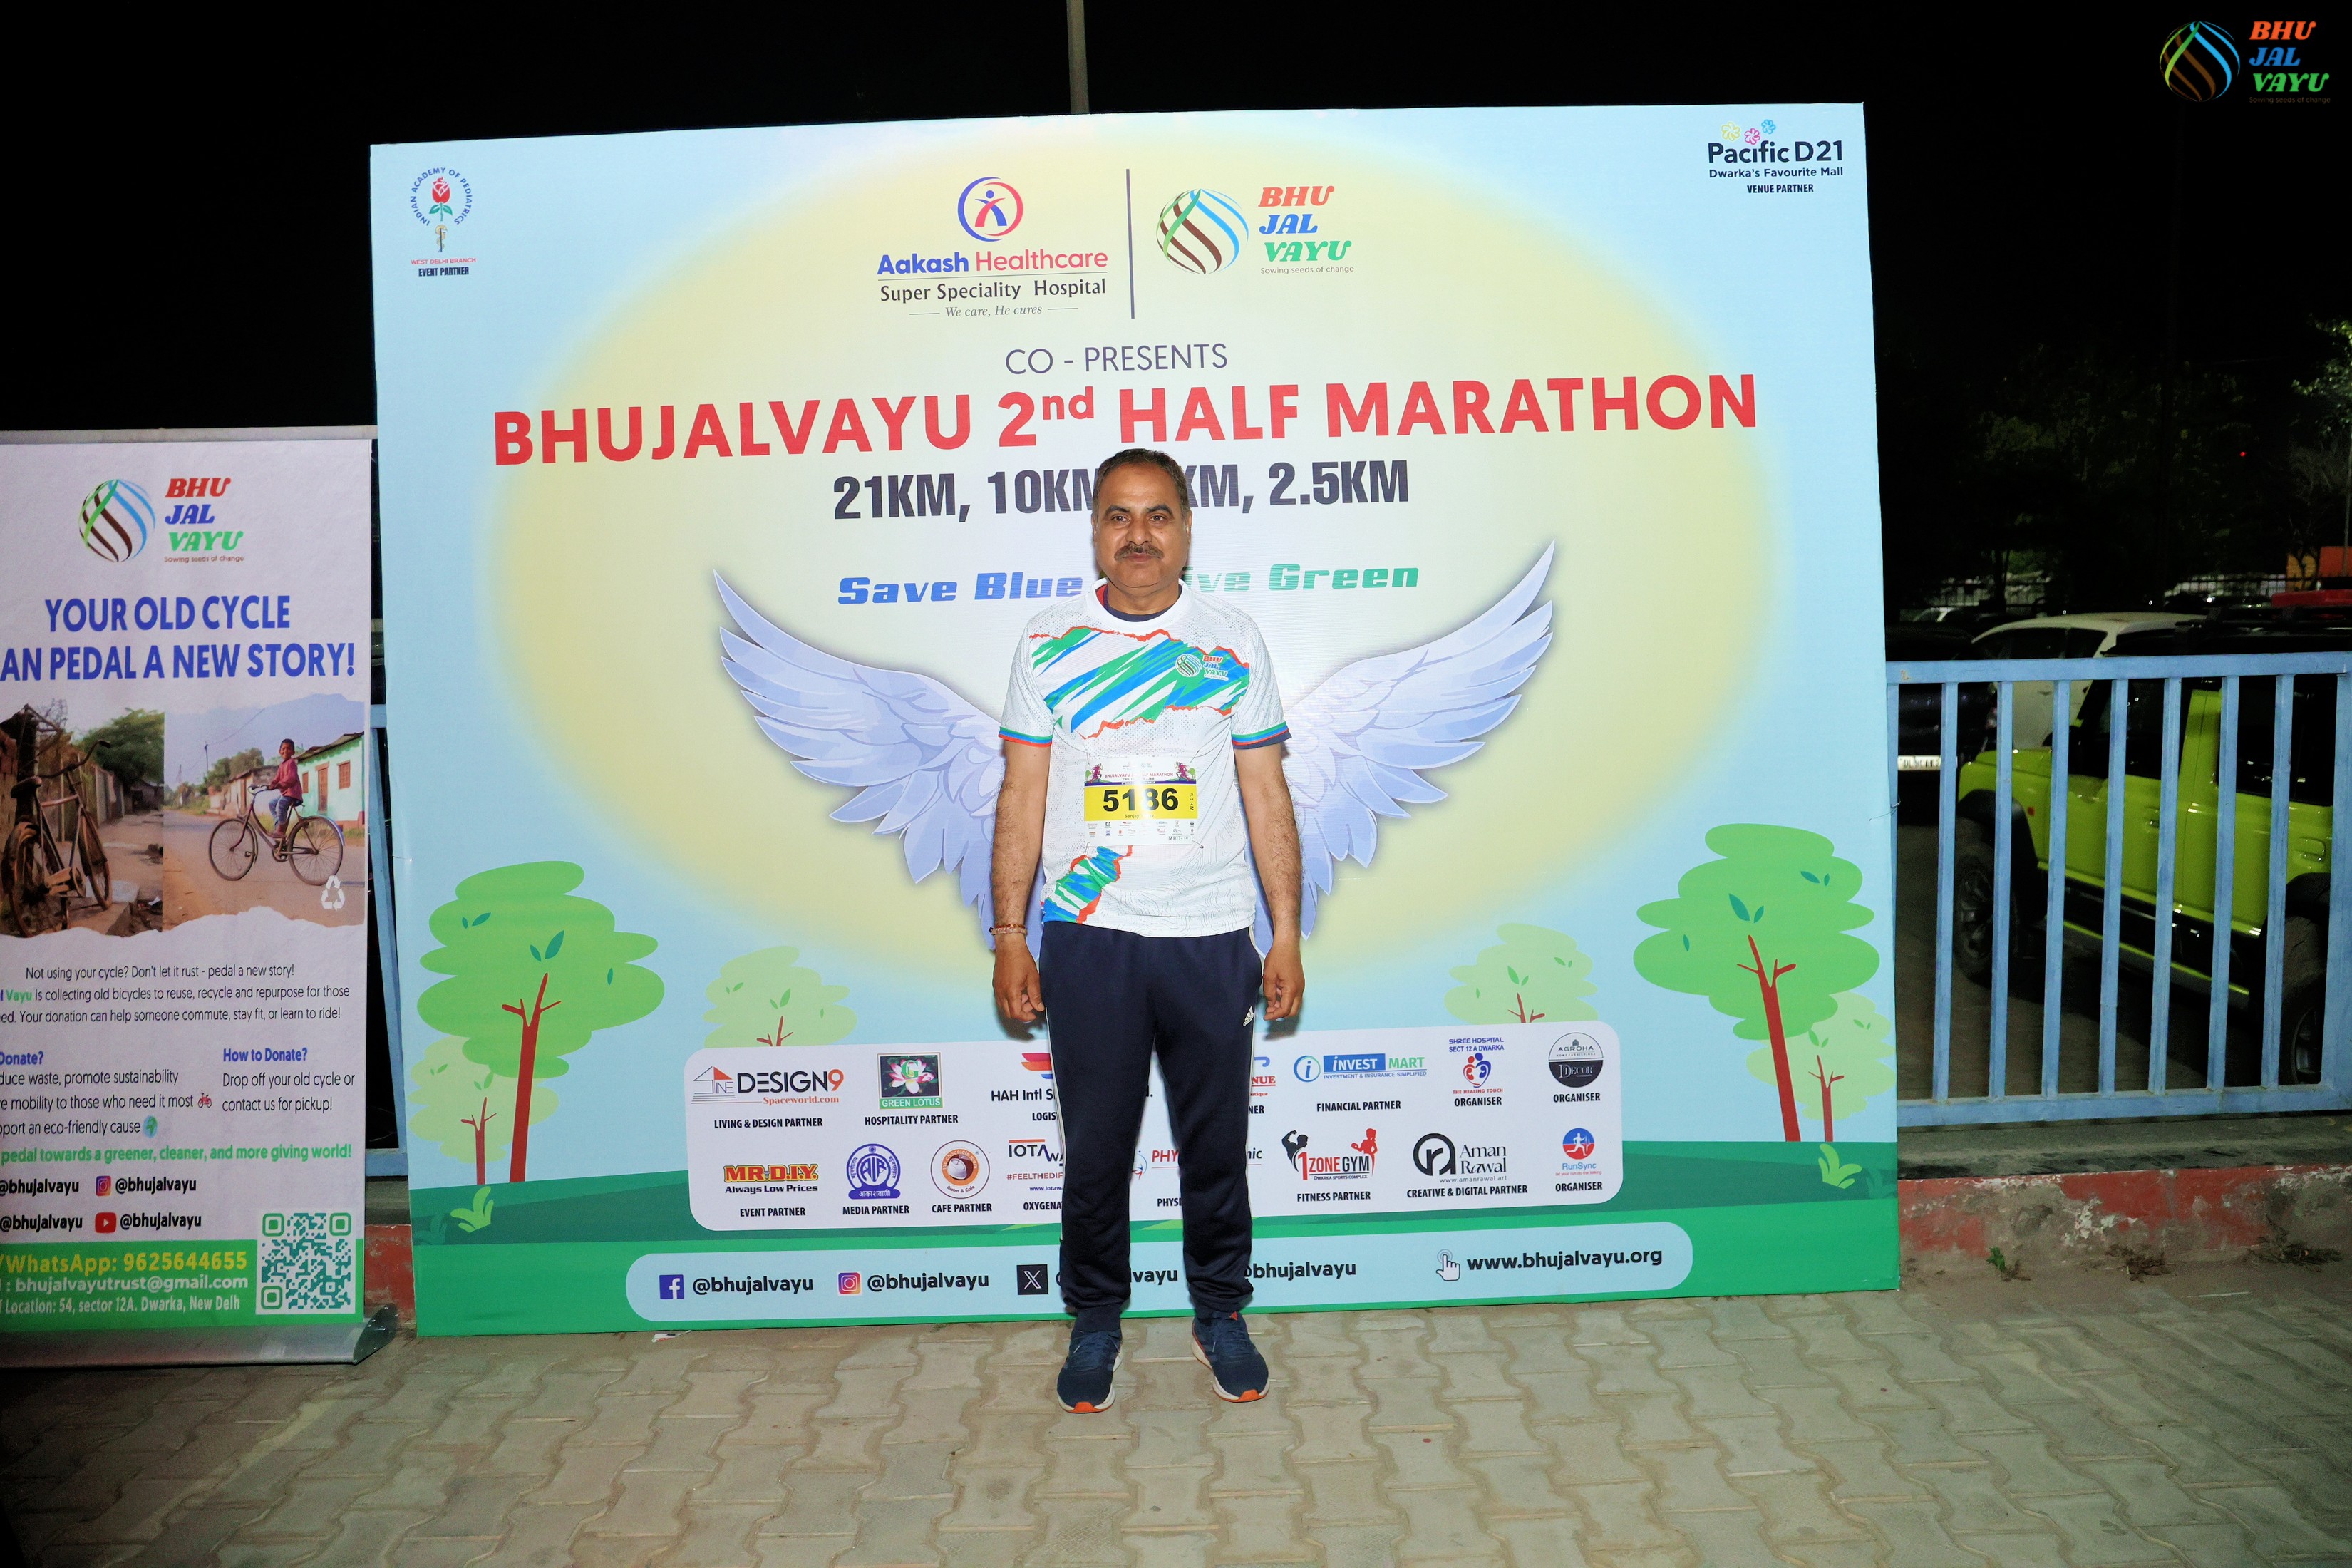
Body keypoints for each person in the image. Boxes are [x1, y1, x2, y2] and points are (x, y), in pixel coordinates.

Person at [990, 448, 1305, 1413]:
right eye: (1119, 516)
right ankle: (1095, 1320)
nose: (1139, 535)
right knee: (1095, 1152)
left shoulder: (1232, 639)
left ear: (1186, 530)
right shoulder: (1048, 640)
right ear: (1095, 530)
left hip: (1210, 934)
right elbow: (1022, 792)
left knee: (1216, 1149)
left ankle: (1221, 1312)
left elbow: (1266, 790)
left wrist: (1286, 931)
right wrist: (1011, 933)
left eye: (1158, 515)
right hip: (1092, 938)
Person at [264, 740, 304, 847]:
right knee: (272, 803)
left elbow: (291, 779)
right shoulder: (282, 765)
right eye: (283, 749)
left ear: (293, 752)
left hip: (293, 793)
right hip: (286, 794)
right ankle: (279, 826)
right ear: (280, 751)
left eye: (289, 749)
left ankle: (281, 831)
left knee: (280, 805)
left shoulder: (291, 763)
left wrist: (279, 784)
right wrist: (272, 784)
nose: (286, 751)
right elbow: (277, 778)